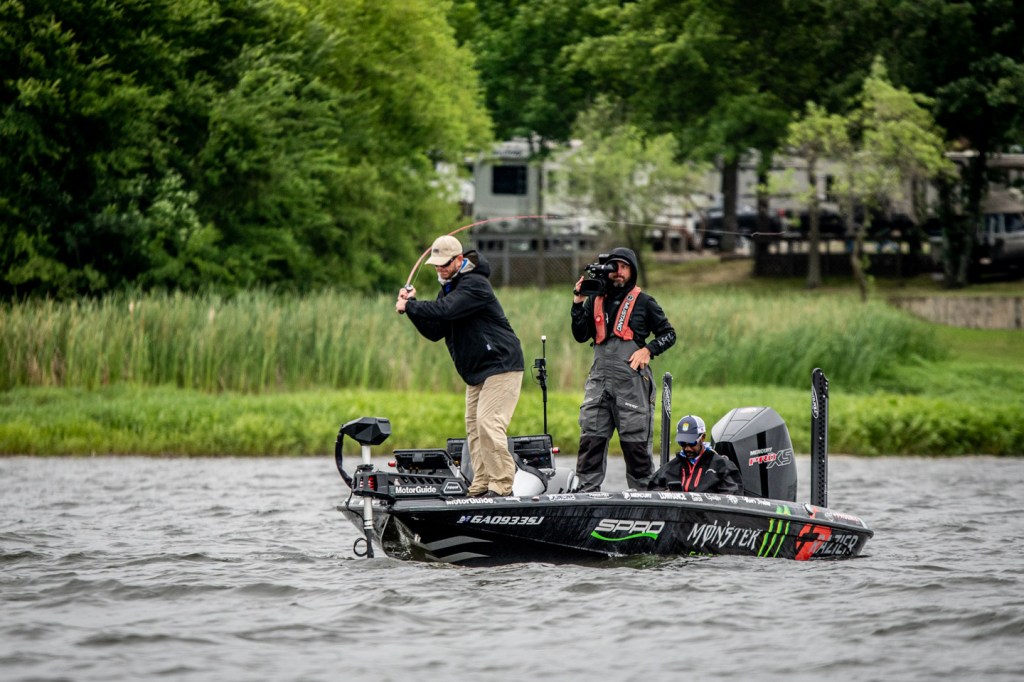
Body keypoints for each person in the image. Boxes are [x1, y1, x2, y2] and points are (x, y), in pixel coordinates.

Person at [396, 235, 524, 497]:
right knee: (474, 429)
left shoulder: (475, 284)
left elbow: (445, 310)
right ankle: (481, 485)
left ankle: (501, 486)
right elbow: (435, 331)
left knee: (488, 423)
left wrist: (411, 304)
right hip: (476, 372)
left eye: (444, 263)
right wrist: (411, 310)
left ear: (459, 260)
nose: (440, 268)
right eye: (436, 264)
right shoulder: (448, 289)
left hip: (501, 364)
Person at [570, 247, 676, 491]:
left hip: (632, 386)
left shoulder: (645, 302)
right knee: (590, 442)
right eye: (614, 266)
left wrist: (648, 350)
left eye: (624, 267)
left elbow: (669, 334)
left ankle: (643, 497)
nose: (618, 272)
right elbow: (580, 335)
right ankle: (586, 493)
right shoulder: (594, 300)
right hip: (599, 384)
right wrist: (578, 303)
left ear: (632, 271)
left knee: (635, 446)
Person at [648, 415, 744, 494]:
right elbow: (653, 493)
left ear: (703, 437)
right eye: (682, 443)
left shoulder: (722, 467)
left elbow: (732, 499)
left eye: (691, 443)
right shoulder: (669, 468)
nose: (687, 448)